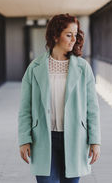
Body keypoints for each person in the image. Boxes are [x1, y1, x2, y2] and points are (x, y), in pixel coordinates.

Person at [18, 13, 101, 183]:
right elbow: (25, 108)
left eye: (75, 35)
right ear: (55, 36)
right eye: (68, 35)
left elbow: (92, 108)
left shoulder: (83, 68)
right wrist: (24, 139)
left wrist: (95, 141)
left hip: (75, 138)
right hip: (43, 138)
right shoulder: (34, 68)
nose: (73, 39)